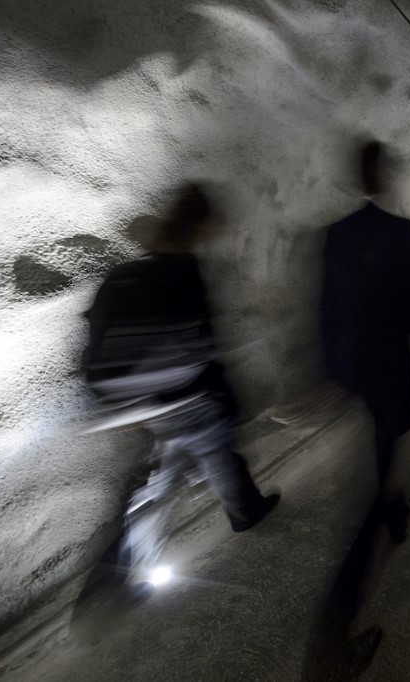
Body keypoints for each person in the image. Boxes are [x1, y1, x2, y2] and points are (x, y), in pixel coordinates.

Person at [83, 183, 278, 599]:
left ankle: (124, 571)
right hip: (182, 394)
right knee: (211, 454)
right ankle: (242, 513)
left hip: (137, 402)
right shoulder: (185, 270)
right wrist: (223, 392)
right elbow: (202, 343)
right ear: (200, 225)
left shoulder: (131, 273)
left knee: (165, 474)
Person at [320, 140, 410, 544]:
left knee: (377, 431)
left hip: (354, 361)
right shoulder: (401, 232)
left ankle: (385, 500)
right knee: (389, 434)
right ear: (385, 176)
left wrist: (332, 367)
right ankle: (389, 509)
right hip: (390, 358)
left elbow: (326, 305)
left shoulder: (337, 234)